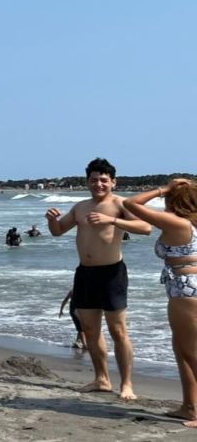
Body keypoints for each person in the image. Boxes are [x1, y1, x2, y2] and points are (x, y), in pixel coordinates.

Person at [46, 157, 151, 400]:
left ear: (113, 182)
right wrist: (52, 220)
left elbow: (146, 228)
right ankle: (102, 379)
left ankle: (126, 384)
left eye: (104, 180)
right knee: (90, 329)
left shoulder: (120, 204)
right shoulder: (80, 207)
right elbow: (58, 232)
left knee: (118, 330)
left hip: (112, 272)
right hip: (84, 273)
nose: (99, 184)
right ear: (87, 182)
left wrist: (111, 220)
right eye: (94, 180)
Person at [124, 178, 197, 424]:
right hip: (183, 287)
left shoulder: (177, 222)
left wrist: (163, 188)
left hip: (186, 291)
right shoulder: (191, 223)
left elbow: (131, 203)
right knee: (181, 349)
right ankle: (190, 406)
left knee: (191, 351)